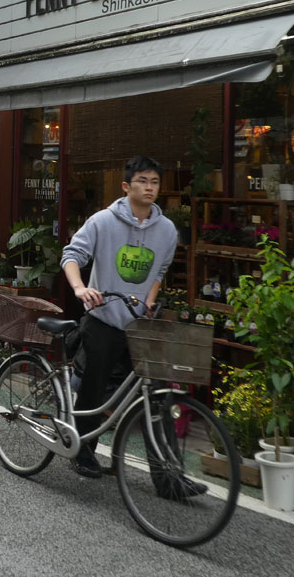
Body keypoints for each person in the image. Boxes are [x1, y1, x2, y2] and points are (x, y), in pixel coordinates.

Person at [60, 156, 203, 497]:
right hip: (103, 319)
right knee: (92, 389)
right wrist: (81, 289)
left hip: (141, 326)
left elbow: (159, 271)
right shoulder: (102, 222)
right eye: (142, 180)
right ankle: (83, 454)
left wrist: (150, 298)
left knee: (158, 396)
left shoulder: (167, 230)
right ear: (126, 186)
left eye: (154, 181)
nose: (149, 187)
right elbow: (71, 256)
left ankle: (169, 479)